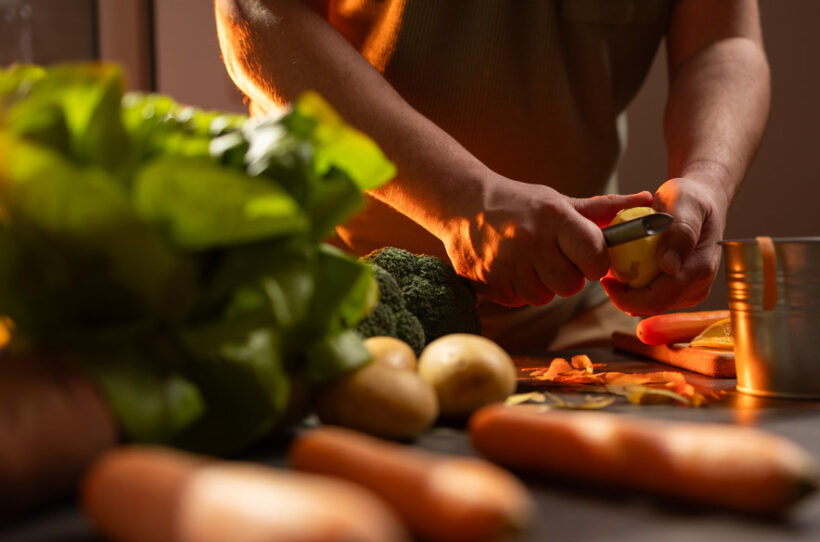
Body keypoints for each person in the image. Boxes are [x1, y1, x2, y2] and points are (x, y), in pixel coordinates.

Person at [214, 0, 770, 351]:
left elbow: (723, 41)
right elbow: (257, 12)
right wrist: (462, 198)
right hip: (320, 306)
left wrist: (708, 178)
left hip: (573, 326)